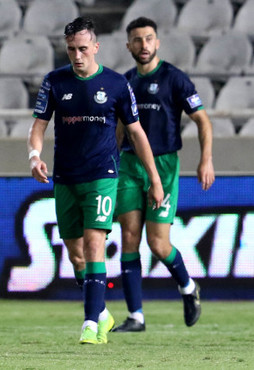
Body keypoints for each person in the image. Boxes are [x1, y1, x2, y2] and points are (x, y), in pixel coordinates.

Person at [28, 16, 164, 345]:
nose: (77, 56)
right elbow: (39, 126)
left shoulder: (117, 84)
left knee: (94, 246)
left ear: (96, 47)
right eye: (72, 49)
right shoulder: (54, 81)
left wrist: (154, 179)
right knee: (75, 255)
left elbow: (136, 133)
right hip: (65, 178)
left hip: (103, 176)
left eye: (83, 49)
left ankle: (90, 323)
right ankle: (102, 312)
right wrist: (34, 156)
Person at [112, 17, 215, 332]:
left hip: (165, 165)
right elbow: (119, 129)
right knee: (128, 236)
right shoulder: (125, 82)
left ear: (157, 43)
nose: (144, 45)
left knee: (157, 244)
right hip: (130, 165)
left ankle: (188, 287)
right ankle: (136, 317)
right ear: (128, 45)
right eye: (137, 40)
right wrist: (110, 162)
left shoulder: (175, 78)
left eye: (149, 39)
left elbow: (202, 120)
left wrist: (205, 160)